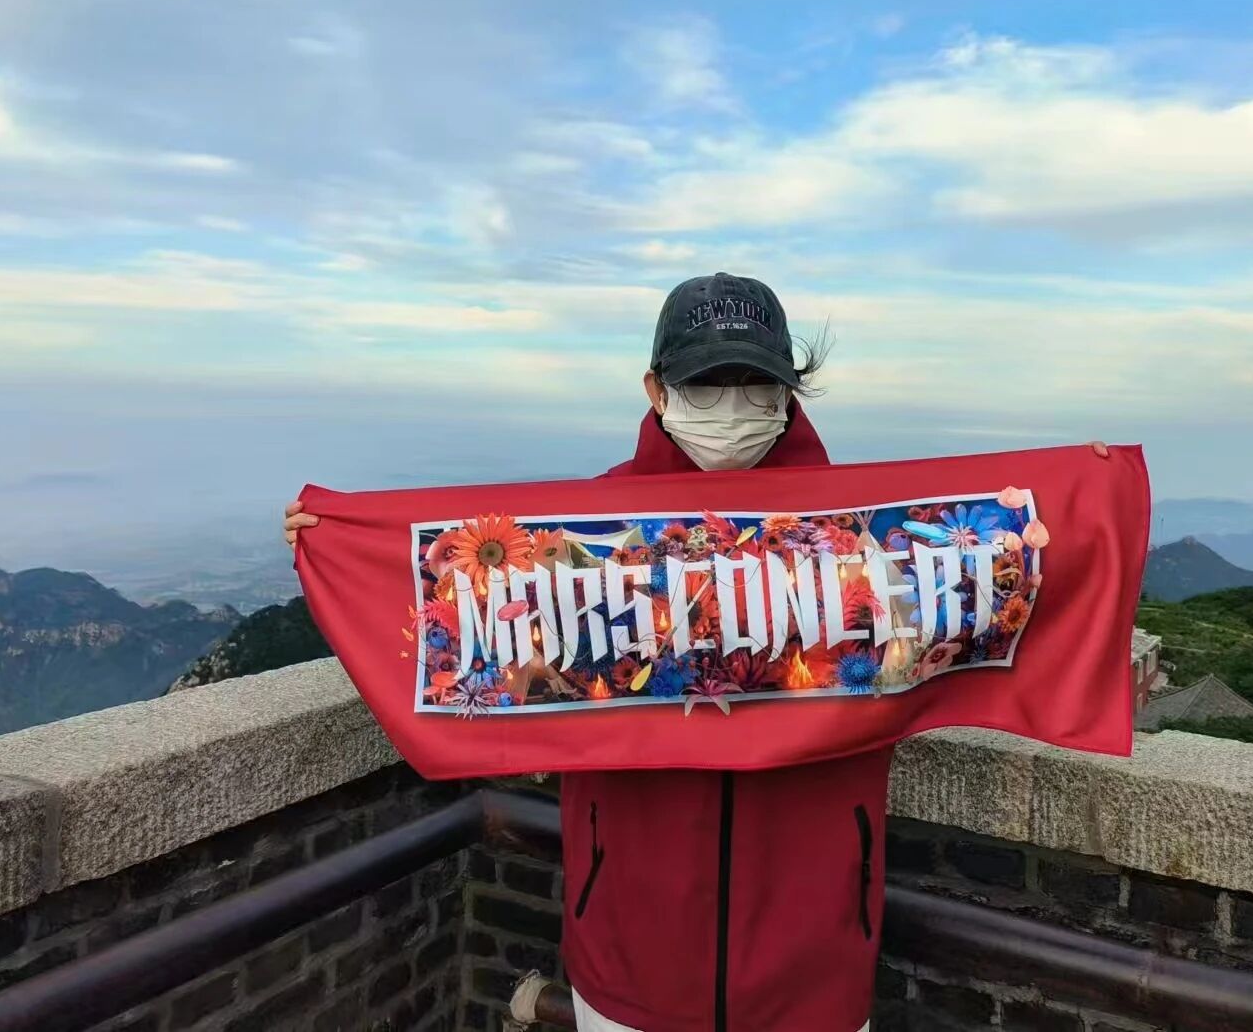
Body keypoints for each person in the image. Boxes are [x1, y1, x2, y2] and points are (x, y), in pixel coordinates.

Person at [285, 272, 1106, 1032]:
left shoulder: (869, 535)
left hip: (815, 960)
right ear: (656, 389)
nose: (732, 408)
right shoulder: (584, 537)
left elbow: (997, 573)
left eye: (756, 385)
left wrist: (1091, 506)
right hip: (628, 956)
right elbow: (466, 614)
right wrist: (336, 547)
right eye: (706, 385)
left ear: (789, 393)